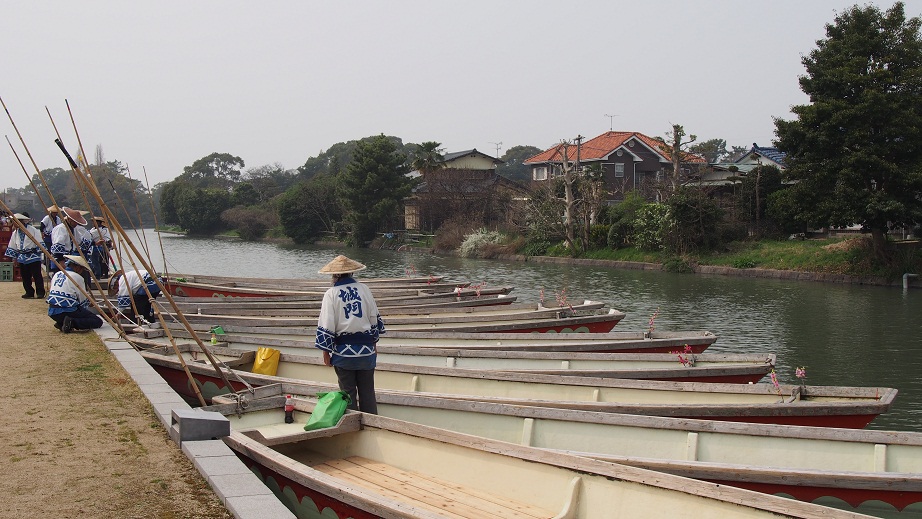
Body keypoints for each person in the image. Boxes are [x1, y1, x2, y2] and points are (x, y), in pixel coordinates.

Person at [314, 255, 385, 414]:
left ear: (334, 276)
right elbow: (373, 319)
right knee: (368, 392)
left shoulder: (331, 294)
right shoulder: (364, 289)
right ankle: (372, 424)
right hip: (366, 352)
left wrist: (326, 353)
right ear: (351, 273)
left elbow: (327, 324)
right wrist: (374, 345)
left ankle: (353, 424)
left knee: (348, 394)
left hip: (343, 354)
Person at [46, 255, 103, 333]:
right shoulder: (77, 277)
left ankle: (62, 322)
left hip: (52, 311)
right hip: (67, 310)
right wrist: (89, 305)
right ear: (77, 267)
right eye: (82, 269)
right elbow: (82, 301)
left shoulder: (57, 274)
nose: (82, 271)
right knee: (97, 321)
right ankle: (71, 323)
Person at [5, 213, 45, 298]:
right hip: (22, 256)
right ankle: (29, 292)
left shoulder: (32, 230)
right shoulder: (15, 233)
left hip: (32, 255)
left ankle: (40, 292)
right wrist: (14, 258)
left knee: (36, 275)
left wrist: (39, 250)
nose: (13, 224)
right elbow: (13, 245)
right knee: (25, 276)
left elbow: (39, 241)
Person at [49, 207, 93, 279]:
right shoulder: (61, 228)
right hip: (60, 260)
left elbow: (80, 241)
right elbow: (58, 246)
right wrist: (61, 262)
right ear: (69, 220)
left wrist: (94, 243)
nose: (76, 224)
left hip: (68, 259)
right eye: (75, 222)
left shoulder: (73, 229)